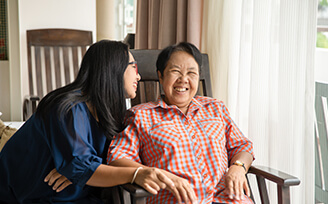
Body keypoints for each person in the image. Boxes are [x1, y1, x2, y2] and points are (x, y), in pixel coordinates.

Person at [0, 40, 195, 203]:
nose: (139, 75)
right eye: (134, 67)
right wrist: (89, 170)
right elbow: (82, 165)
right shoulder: (67, 107)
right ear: (114, 68)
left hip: (73, 194)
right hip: (30, 196)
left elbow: (102, 159)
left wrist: (85, 170)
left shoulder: (111, 112)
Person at [107, 42, 255, 204]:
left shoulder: (215, 108)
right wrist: (156, 174)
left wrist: (238, 167)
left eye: (191, 73)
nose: (183, 79)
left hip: (228, 199)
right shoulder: (141, 115)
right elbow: (117, 158)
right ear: (161, 76)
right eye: (175, 71)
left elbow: (242, 146)